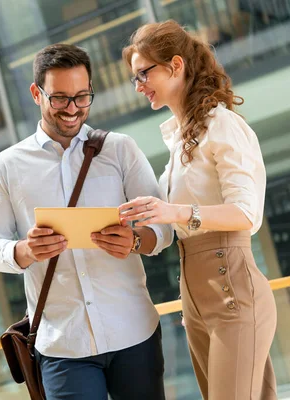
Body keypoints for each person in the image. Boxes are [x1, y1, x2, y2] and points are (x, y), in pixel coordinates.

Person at [0, 43, 173, 400]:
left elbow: (163, 227)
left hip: (133, 332)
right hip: (62, 346)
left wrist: (135, 241)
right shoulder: (7, 166)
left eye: (82, 97)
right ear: (36, 93)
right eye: (60, 99)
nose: (72, 109)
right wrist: (25, 250)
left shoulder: (120, 149)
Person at [120, 20, 277, 400]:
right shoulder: (179, 140)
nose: (139, 85)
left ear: (176, 65)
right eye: (134, 78)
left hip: (231, 290)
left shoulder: (222, 125)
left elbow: (246, 214)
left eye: (144, 73)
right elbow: (171, 222)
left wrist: (173, 211)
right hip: (195, 299)